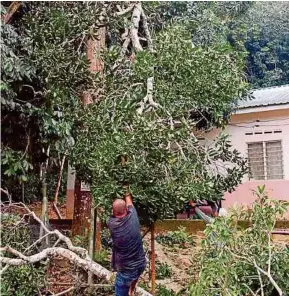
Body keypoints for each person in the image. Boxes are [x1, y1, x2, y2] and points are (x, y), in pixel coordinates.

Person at [107, 192, 146, 296]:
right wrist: (127, 192)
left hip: (126, 269)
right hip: (141, 263)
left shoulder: (112, 223)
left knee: (121, 288)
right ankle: (131, 291)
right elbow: (129, 202)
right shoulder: (133, 216)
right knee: (135, 274)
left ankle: (129, 292)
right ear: (127, 210)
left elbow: (116, 212)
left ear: (113, 211)